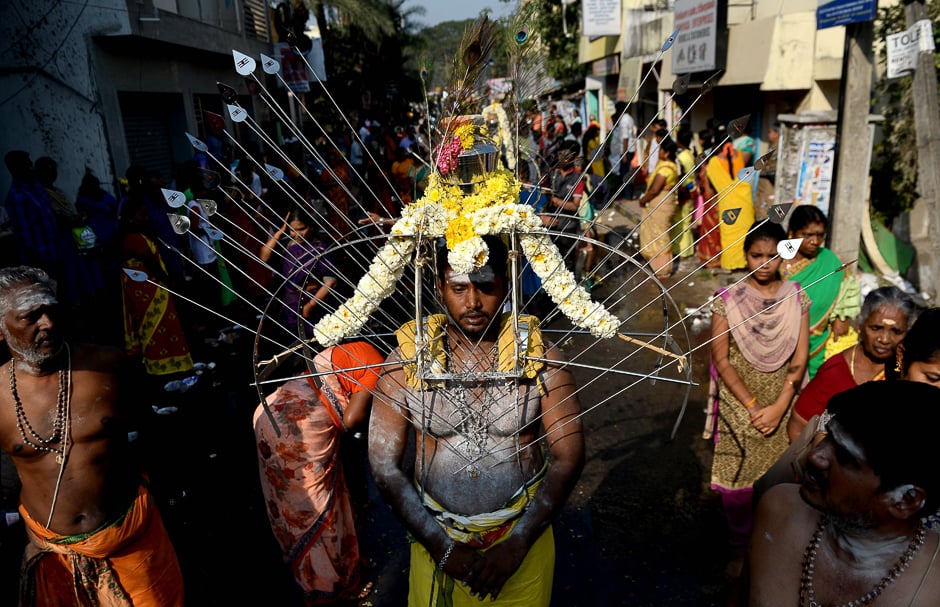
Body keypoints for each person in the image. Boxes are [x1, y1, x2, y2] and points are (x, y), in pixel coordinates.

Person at [368, 236, 585, 606]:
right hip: (435, 541)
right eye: (458, 288)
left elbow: (570, 457)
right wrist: (440, 546)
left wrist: (517, 544)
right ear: (439, 288)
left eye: (486, 286)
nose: (472, 302)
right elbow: (384, 465)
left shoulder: (539, 358)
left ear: (506, 284)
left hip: (521, 546)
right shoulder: (407, 360)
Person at [0, 266, 184, 605]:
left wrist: (167, 494)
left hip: (131, 536)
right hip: (54, 552)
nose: (48, 324)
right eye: (30, 317)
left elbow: (152, 433)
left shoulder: (109, 366)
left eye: (51, 311)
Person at [748, 381, 940, 607]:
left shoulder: (933, 589)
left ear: (906, 501)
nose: (815, 457)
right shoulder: (779, 509)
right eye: (828, 437)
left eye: (846, 458)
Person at [705, 221, 810, 578]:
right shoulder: (727, 299)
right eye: (756, 255)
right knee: (738, 476)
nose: (764, 263)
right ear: (745, 255)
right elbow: (721, 358)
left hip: (782, 396)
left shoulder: (798, 295)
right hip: (740, 398)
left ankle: (768, 547)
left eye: (773, 255)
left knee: (776, 476)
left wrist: (780, 406)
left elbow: (800, 358)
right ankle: (738, 550)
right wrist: (751, 406)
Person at [253, 339, 384, 604]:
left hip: (270, 413)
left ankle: (344, 565)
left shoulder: (354, 348)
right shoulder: (380, 366)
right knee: (315, 506)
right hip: (296, 430)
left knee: (301, 503)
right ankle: (329, 583)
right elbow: (352, 419)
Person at [786, 286, 914, 442]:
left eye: (896, 331)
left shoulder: (909, 370)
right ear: (860, 325)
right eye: (876, 328)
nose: (885, 339)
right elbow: (798, 427)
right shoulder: (835, 372)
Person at [119, 195, 195, 379]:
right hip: (146, 289)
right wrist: (169, 283)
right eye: (140, 215)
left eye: (145, 215)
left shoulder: (141, 235)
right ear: (130, 218)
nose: (145, 218)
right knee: (155, 326)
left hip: (151, 287)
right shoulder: (133, 239)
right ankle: (159, 366)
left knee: (164, 325)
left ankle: (168, 363)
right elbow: (152, 264)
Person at [781, 204, 861, 378]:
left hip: (818, 344)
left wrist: (842, 317)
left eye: (820, 235)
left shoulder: (828, 260)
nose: (815, 241)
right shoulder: (776, 262)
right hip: (781, 341)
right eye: (807, 235)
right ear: (792, 232)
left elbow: (846, 290)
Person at [260, 206, 338, 339]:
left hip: (314, 301)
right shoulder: (287, 246)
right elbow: (264, 256)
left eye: (302, 229)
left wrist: (310, 306)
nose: (298, 234)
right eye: (293, 230)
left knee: (319, 338)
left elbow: (330, 282)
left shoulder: (320, 248)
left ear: (311, 227)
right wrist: (280, 232)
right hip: (291, 302)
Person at [704, 123, 755, 271]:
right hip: (744, 201)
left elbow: (711, 186)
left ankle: (730, 265)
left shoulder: (713, 162)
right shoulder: (740, 155)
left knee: (729, 233)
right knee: (745, 231)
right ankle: (746, 262)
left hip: (727, 202)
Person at [637, 136, 679, 278]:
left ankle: (662, 269)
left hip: (661, 204)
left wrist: (643, 200)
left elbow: (655, 190)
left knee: (659, 236)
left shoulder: (665, 168)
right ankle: (658, 266)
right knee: (658, 234)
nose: (659, 151)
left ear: (666, 152)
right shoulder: (671, 164)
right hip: (663, 203)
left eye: (661, 149)